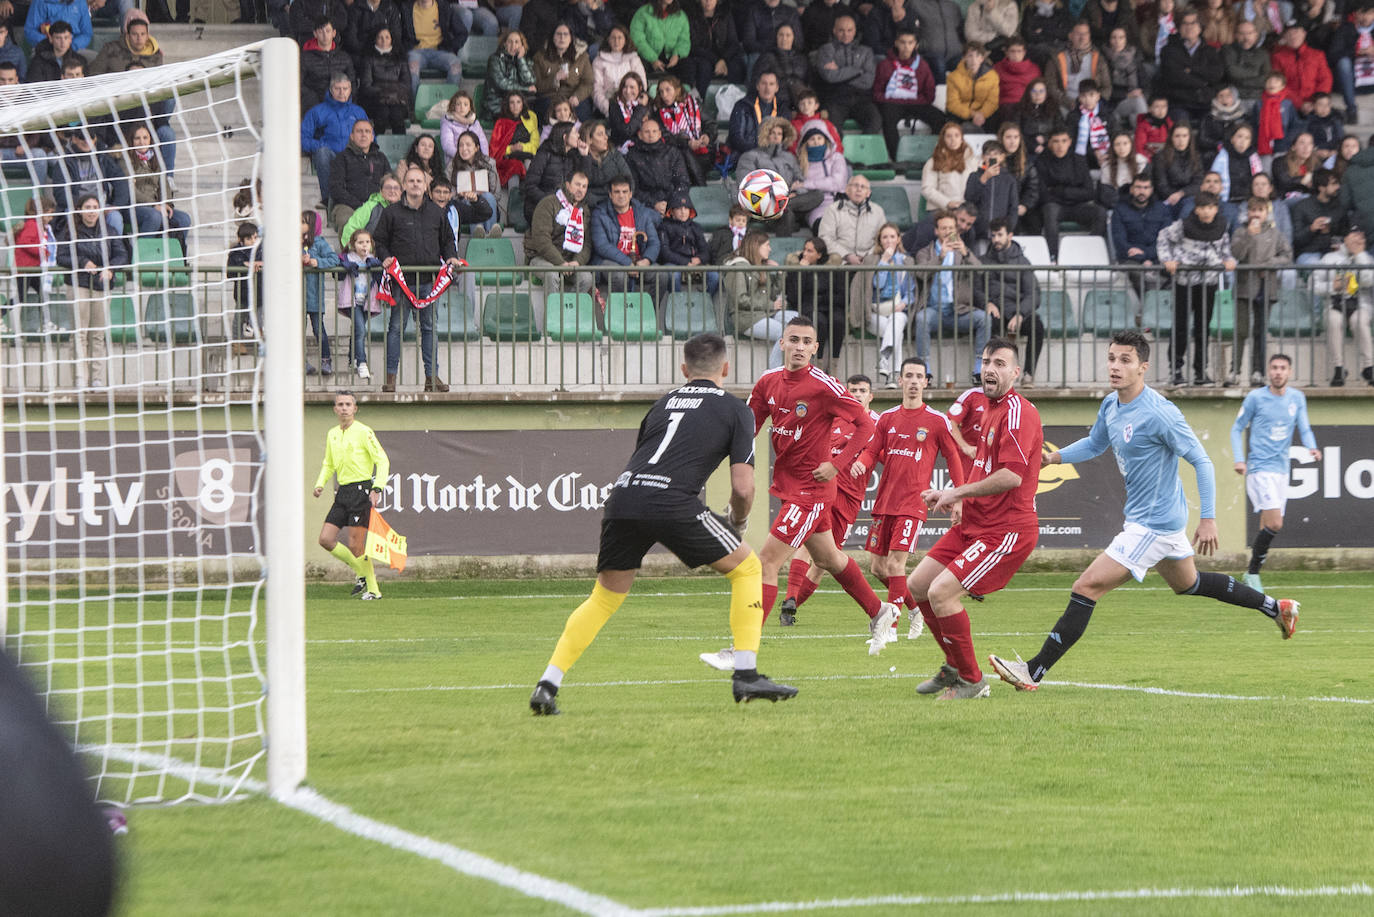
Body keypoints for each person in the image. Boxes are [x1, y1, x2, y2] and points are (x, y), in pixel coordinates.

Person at [989, 331, 1301, 693]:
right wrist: (1056, 457)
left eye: (1125, 360)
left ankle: (1033, 670)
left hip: (1152, 524)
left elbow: (1201, 461)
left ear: (1143, 367)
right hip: (1155, 522)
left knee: (1086, 586)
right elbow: (1096, 442)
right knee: (1190, 583)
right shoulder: (1111, 405)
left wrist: (1209, 518)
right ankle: (1277, 608)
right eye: (1111, 358)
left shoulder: (1159, 412)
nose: (1115, 367)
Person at [530, 334, 797, 713]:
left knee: (603, 598)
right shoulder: (736, 409)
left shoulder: (660, 405)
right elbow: (743, 486)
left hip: (624, 495)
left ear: (684, 370)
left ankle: (547, 685)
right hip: (670, 499)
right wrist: (736, 522)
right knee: (748, 567)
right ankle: (747, 675)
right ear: (726, 368)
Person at [699, 315, 899, 671]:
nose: (800, 348)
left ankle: (740, 652)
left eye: (807, 342)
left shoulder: (824, 385)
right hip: (790, 485)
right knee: (829, 559)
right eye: (794, 340)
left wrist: (837, 464)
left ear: (816, 348)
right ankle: (880, 610)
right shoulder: (768, 382)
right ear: (782, 343)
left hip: (812, 489)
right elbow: (749, 427)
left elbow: (867, 424)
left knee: (766, 563)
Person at [905, 337, 1041, 699]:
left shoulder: (1017, 412)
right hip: (975, 524)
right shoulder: (989, 408)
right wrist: (954, 493)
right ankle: (954, 666)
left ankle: (972, 680)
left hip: (1006, 530)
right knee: (917, 586)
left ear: (1015, 372)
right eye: (985, 362)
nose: (990, 369)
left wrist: (958, 493)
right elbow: (984, 468)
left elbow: (1011, 476)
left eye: (999, 363)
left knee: (942, 594)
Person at [852, 358, 966, 637]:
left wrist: (959, 496)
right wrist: (861, 463)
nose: (914, 381)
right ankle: (914, 608)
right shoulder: (888, 418)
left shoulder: (937, 421)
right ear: (900, 381)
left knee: (895, 564)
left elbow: (953, 458)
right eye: (909, 376)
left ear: (926, 382)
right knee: (878, 568)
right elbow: (871, 450)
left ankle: (889, 628)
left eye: (919, 376)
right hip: (884, 502)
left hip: (913, 503)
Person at [775, 373, 878, 627]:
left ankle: (792, 605)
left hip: (848, 499)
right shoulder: (835, 418)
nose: (856, 394)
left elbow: (876, 450)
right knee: (806, 543)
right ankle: (789, 601)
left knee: (825, 561)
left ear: (871, 396)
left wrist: (863, 463)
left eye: (862, 391)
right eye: (852, 389)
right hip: (822, 490)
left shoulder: (875, 422)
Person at [1230, 353, 1319, 595]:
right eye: (1274, 368)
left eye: (1283, 368)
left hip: (1281, 471)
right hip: (1259, 469)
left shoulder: (1297, 398)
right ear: (1269, 372)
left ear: (1289, 372)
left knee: (1266, 526)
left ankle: (1251, 574)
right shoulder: (1255, 398)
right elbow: (1236, 428)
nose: (1278, 372)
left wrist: (1312, 447)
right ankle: (1252, 573)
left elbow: (1304, 426)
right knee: (1275, 523)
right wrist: (1240, 459)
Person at [372, 165, 464, 393]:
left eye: (419, 181)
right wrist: (384, 257)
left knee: (429, 328)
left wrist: (451, 257)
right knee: (395, 329)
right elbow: (380, 241)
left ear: (425, 186)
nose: (415, 184)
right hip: (401, 282)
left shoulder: (437, 213)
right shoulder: (391, 212)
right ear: (404, 185)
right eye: (411, 181)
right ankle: (390, 379)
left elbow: (447, 241)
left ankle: (432, 377)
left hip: (428, 281)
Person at [313, 391, 390, 600]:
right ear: (335, 409)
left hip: (360, 491)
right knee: (325, 539)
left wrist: (378, 488)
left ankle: (374, 589)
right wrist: (320, 484)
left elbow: (382, 460)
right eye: (340, 404)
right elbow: (328, 463)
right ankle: (361, 572)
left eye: (348, 404)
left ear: (355, 409)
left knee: (356, 545)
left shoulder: (364, 432)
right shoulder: (332, 434)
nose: (344, 408)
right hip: (343, 491)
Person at [1158, 190, 1237, 386]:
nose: (1206, 212)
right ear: (1196, 209)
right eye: (1202, 208)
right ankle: (1175, 370)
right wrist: (1167, 260)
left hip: (1208, 282)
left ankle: (1201, 371)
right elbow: (1163, 237)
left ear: (1216, 209)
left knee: (1203, 328)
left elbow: (1225, 249)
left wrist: (1228, 259)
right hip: (1184, 282)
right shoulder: (1183, 226)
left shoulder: (1222, 226)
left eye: (1210, 208)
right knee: (1181, 327)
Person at [54, 194, 129, 390]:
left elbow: (122, 255)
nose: (92, 210)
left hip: (101, 287)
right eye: (88, 206)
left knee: (97, 335)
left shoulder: (110, 231)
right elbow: (61, 257)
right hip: (78, 285)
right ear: (80, 209)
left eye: (95, 206)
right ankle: (80, 378)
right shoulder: (70, 231)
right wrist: (82, 263)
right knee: (79, 334)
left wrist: (110, 268)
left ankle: (96, 379)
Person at [912, 211, 988, 385]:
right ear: (936, 231)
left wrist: (966, 253)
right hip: (933, 310)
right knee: (921, 318)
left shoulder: (962, 251)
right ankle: (925, 370)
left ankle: (979, 368)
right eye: (944, 228)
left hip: (959, 310)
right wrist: (940, 257)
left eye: (951, 228)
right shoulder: (925, 252)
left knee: (983, 319)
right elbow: (920, 275)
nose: (948, 231)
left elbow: (980, 270)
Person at [1229, 195, 1292, 386]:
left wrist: (1269, 264)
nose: (1256, 214)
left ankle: (1257, 370)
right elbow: (1236, 253)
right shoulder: (1240, 231)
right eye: (1253, 210)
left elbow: (1287, 255)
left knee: (1260, 332)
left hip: (1266, 287)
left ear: (1267, 213)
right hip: (1244, 286)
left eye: (1260, 210)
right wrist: (1249, 234)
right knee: (1240, 330)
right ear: (1248, 213)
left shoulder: (1276, 234)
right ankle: (1235, 370)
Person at [980, 218, 1044, 384]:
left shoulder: (1023, 262)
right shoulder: (984, 261)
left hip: (1017, 311)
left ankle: (1028, 374)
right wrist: (986, 303)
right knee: (988, 323)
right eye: (993, 235)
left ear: (1010, 235)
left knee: (1037, 325)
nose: (996, 239)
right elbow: (976, 289)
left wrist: (1021, 313)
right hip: (996, 311)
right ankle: (995, 377)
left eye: (1000, 235)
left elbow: (1034, 294)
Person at [526, 170, 596, 315]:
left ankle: (571, 317)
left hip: (570, 261)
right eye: (577, 185)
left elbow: (587, 244)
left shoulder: (584, 211)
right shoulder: (548, 203)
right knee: (551, 275)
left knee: (586, 278)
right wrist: (560, 262)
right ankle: (553, 323)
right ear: (567, 185)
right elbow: (541, 240)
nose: (580, 189)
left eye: (584, 186)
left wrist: (577, 262)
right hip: (541, 258)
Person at [1034, 127, 1107, 259]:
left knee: (1100, 212)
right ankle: (1052, 257)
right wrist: (1074, 193)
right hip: (1055, 207)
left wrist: (1062, 191)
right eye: (1056, 141)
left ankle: (1092, 253)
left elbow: (1090, 192)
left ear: (1070, 142)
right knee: (1050, 210)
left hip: (1077, 206)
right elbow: (1043, 194)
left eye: (1064, 141)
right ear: (1050, 143)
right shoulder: (1042, 161)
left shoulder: (1079, 160)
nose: (1060, 145)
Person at [857, 222, 915, 385]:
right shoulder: (873, 260)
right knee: (896, 333)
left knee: (897, 321)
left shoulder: (907, 260)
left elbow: (911, 291)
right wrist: (883, 261)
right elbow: (877, 285)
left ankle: (885, 361)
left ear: (898, 239)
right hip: (876, 313)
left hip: (897, 311)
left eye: (892, 236)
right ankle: (894, 376)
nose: (889, 240)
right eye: (885, 237)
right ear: (880, 241)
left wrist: (904, 304)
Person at [723, 231, 791, 368]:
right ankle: (774, 373)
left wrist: (780, 273)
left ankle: (793, 369)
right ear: (756, 246)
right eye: (767, 245)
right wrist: (771, 305)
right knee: (785, 333)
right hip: (746, 317)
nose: (770, 249)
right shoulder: (737, 268)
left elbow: (772, 294)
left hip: (764, 313)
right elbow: (740, 299)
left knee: (797, 321)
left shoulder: (761, 265)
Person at [873, 31, 945, 159]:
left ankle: (933, 157)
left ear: (916, 45)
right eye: (903, 42)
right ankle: (897, 159)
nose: (906, 47)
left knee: (940, 118)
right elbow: (877, 93)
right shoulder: (885, 65)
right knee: (888, 120)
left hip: (917, 103)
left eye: (910, 43)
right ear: (896, 43)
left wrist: (908, 99)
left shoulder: (922, 65)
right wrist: (894, 98)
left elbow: (929, 95)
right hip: (892, 104)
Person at [301, 74, 370, 207]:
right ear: (331, 90)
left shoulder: (358, 111)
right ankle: (328, 198)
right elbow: (303, 138)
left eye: (345, 88)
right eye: (338, 88)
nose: (342, 92)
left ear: (350, 89)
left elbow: (370, 134)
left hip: (354, 155)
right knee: (322, 152)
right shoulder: (317, 111)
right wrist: (321, 145)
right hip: (331, 156)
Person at [1319, 228, 1374, 386]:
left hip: (1360, 304)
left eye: (1362, 237)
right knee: (1333, 320)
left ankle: (1369, 367)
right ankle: (1338, 368)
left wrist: (1359, 256)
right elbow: (1313, 285)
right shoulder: (1329, 258)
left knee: (1359, 321)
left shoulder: (1367, 258)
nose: (1358, 240)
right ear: (1345, 238)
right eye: (1355, 236)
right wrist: (1332, 286)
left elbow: (1368, 281)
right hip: (1334, 303)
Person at [783, 236, 847, 372]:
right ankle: (818, 363)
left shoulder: (832, 268)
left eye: (810, 251)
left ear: (819, 255)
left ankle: (834, 363)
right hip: (810, 307)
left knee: (838, 321)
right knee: (819, 322)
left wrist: (823, 299)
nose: (805, 254)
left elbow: (842, 296)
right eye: (805, 250)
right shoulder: (799, 267)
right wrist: (802, 271)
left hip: (830, 305)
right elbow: (794, 296)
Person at [590, 175, 661, 293]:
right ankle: (619, 311)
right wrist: (627, 263)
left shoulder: (642, 213)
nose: (621, 195)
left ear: (630, 194)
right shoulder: (600, 213)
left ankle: (651, 311)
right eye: (617, 192)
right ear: (610, 194)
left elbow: (654, 242)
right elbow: (601, 245)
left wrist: (647, 260)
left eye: (625, 191)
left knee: (661, 275)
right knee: (619, 276)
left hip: (638, 260)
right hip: (610, 261)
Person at [812, 14, 880, 134]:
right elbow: (830, 76)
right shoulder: (826, 50)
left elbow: (868, 81)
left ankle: (861, 151)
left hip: (860, 99)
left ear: (855, 31)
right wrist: (859, 71)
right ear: (834, 31)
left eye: (850, 30)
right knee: (832, 128)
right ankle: (838, 153)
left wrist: (839, 71)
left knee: (875, 120)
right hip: (835, 99)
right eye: (841, 30)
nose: (846, 34)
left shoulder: (866, 51)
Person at [1158, 9, 1224, 125]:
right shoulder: (1168, 50)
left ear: (1200, 27)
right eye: (1185, 23)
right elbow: (1174, 77)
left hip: (1205, 102)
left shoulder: (1211, 51)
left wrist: (1191, 70)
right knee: (1182, 128)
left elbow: (1216, 75)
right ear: (1179, 27)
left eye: (1193, 23)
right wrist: (1203, 82)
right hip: (1179, 102)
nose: (1189, 27)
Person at [328, 118, 392, 234]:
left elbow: (390, 184)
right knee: (346, 221)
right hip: (348, 206)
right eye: (359, 131)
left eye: (367, 131)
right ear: (352, 136)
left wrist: (373, 205)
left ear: (372, 137)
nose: (363, 135)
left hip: (376, 205)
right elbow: (336, 189)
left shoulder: (381, 158)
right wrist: (360, 205)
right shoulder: (341, 158)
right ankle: (350, 252)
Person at [337, 228, 383, 381]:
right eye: (360, 242)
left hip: (366, 300)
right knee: (361, 330)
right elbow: (339, 268)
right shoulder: (348, 258)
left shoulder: (372, 258)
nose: (364, 246)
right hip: (352, 300)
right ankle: (362, 362)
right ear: (353, 244)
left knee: (358, 329)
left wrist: (375, 265)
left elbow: (380, 273)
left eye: (367, 242)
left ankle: (353, 359)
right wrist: (346, 265)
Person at [653, 75, 715, 186]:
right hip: (678, 154)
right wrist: (687, 143)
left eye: (668, 90)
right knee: (684, 153)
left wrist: (707, 136)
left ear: (677, 89)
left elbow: (710, 123)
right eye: (661, 92)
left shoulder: (693, 104)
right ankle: (701, 187)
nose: (664, 95)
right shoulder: (658, 113)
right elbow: (667, 137)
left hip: (702, 150)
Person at [301, 211, 340, 377]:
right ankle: (301, 362)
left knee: (319, 330)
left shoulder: (319, 242)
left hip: (314, 295)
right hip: (296, 297)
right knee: (297, 332)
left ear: (311, 226)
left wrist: (317, 262)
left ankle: (326, 360)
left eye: (303, 222)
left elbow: (334, 259)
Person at [624, 117, 691, 215]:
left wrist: (670, 203)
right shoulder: (632, 156)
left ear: (660, 134)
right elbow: (632, 188)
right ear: (640, 135)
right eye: (647, 132)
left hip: (672, 205)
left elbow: (683, 181)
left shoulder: (673, 153)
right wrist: (653, 204)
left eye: (654, 131)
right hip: (644, 207)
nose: (651, 135)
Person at [401, 0, 468, 97]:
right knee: (412, 67)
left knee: (456, 65)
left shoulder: (444, 7)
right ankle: (414, 108)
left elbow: (462, 33)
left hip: (439, 51)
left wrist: (451, 47)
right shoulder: (406, 7)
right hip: (415, 52)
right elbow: (398, 33)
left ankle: (448, 104)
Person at [1044, 23, 1111, 117]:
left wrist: (1094, 101)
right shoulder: (1057, 57)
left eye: (1085, 34)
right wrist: (1068, 102)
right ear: (1070, 36)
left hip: (1092, 102)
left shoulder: (1098, 58)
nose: (1082, 37)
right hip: (1066, 104)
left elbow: (1107, 86)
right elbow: (1051, 85)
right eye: (1078, 34)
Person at [522, 120, 583, 222]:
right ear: (565, 137)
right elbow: (530, 186)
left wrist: (585, 156)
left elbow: (583, 181)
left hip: (565, 207)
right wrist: (551, 202)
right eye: (575, 132)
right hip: (540, 206)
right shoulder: (544, 153)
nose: (578, 135)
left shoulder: (574, 156)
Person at [356, 26, 411, 136]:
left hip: (397, 99)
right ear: (375, 39)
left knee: (397, 115)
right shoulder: (368, 59)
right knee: (382, 113)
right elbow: (366, 86)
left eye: (387, 37)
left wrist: (392, 95)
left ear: (392, 39)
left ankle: (401, 148)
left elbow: (406, 84)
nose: (384, 41)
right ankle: (374, 147)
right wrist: (383, 94)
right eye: (380, 37)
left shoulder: (401, 58)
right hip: (375, 99)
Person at [684, 0, 744, 100]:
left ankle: (733, 101)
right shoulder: (692, 15)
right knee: (704, 68)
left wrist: (723, 60)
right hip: (703, 55)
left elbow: (734, 43)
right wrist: (716, 61)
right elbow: (693, 45)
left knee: (736, 67)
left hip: (724, 56)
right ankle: (700, 101)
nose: (708, 2)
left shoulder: (725, 14)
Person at [533, 22, 594, 119]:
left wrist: (577, 96)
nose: (562, 38)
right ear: (552, 37)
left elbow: (588, 82)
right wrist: (554, 79)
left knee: (583, 108)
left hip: (572, 96)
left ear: (571, 38)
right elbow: (537, 85)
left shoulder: (582, 57)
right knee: (545, 106)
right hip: (550, 97)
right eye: (558, 34)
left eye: (566, 34)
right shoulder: (540, 57)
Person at [1327, 2, 1374, 126]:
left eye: (1369, 13)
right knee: (1343, 63)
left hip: (1371, 79)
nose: (1365, 17)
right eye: (1361, 13)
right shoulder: (1345, 28)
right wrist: (1356, 52)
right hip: (1351, 80)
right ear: (1355, 14)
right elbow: (1333, 54)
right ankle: (1351, 109)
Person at [1270, 22, 1331, 116]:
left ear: (1304, 33)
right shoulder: (1278, 57)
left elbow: (1325, 79)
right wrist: (1299, 103)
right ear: (1284, 37)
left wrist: (1317, 100)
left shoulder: (1317, 55)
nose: (1293, 36)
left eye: (1297, 32)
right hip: (1289, 104)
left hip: (1315, 104)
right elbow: (1278, 85)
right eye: (1289, 33)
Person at [963, 139, 1019, 239]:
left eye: (996, 154)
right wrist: (984, 178)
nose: (992, 157)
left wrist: (1009, 228)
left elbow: (1013, 207)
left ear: (1002, 156)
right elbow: (969, 199)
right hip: (978, 231)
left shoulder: (1009, 179)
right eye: (988, 154)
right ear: (983, 157)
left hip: (1000, 232)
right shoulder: (975, 176)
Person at [727, 70, 789, 158]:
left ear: (777, 88)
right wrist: (759, 152)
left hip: (774, 157)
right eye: (764, 83)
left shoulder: (783, 109)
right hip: (747, 155)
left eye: (771, 84)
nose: (767, 88)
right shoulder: (742, 106)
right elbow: (736, 138)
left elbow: (786, 139)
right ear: (757, 86)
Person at [920, 121, 978, 215]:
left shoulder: (973, 161)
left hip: (967, 210)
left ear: (962, 139)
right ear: (943, 139)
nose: (953, 139)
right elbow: (927, 189)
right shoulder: (933, 162)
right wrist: (947, 203)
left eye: (956, 135)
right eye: (949, 136)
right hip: (940, 209)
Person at [1291, 168, 1347, 263]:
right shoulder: (1302, 207)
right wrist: (1311, 229)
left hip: (1333, 253)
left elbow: (1344, 233)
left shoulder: (1339, 207)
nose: (1338, 187)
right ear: (1321, 187)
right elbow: (1296, 240)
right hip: (1308, 253)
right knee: (1317, 268)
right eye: (1333, 184)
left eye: (1337, 183)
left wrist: (1336, 241)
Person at [754, 22, 811, 113]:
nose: (784, 38)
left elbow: (808, 81)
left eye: (788, 35)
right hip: (778, 101)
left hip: (801, 102)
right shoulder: (767, 57)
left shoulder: (802, 59)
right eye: (781, 35)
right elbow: (757, 82)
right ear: (776, 37)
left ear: (794, 37)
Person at [591, 25, 646, 118]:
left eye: (620, 38)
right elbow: (596, 88)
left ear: (625, 40)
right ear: (608, 40)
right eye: (613, 38)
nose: (616, 41)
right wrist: (608, 109)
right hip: (608, 104)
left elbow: (641, 83)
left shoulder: (633, 59)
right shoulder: (599, 60)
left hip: (631, 103)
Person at [301, 19, 357, 112]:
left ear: (334, 33)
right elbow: (299, 84)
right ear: (315, 34)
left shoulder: (344, 57)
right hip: (315, 104)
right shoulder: (305, 57)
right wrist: (312, 98)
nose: (325, 35)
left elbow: (352, 82)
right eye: (320, 31)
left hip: (340, 101)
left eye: (328, 31)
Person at [629, 0, 690, 83]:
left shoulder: (680, 15)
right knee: (638, 66)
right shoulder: (643, 13)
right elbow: (637, 39)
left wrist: (677, 55)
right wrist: (652, 59)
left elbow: (684, 40)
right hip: (647, 57)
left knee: (687, 65)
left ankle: (686, 94)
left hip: (671, 57)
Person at [490, 90, 541, 187]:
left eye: (518, 102)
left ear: (523, 103)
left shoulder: (531, 116)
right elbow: (495, 148)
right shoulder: (501, 122)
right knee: (514, 167)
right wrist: (512, 148)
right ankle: (513, 197)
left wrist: (522, 147)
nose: (515, 106)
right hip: (509, 156)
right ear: (508, 105)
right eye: (512, 102)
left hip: (527, 153)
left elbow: (535, 142)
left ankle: (530, 191)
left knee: (528, 163)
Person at [482, 28, 535, 120]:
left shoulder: (525, 60)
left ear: (522, 45)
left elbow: (529, 81)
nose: (513, 45)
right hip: (497, 104)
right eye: (510, 42)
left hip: (517, 104)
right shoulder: (495, 59)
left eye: (517, 42)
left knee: (541, 105)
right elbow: (501, 84)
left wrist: (520, 60)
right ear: (504, 44)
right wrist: (525, 89)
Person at [946, 41, 999, 131]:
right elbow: (953, 103)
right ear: (964, 58)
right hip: (962, 113)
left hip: (983, 113)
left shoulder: (992, 76)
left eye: (978, 56)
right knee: (951, 121)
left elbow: (992, 102)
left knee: (995, 119)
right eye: (970, 56)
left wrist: (981, 114)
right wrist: (972, 114)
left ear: (982, 59)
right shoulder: (953, 77)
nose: (974, 60)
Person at [580, 120, 632, 211]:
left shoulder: (614, 154)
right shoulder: (580, 158)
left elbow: (629, 179)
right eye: (600, 134)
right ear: (590, 139)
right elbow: (584, 183)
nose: (606, 137)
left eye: (605, 134)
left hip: (617, 203)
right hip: (593, 205)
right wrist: (585, 157)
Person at [90, 8, 160, 74]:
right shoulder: (110, 49)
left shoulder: (155, 54)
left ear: (147, 36)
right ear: (128, 36)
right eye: (134, 34)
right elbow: (94, 73)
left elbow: (159, 81)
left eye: (142, 34)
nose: (139, 38)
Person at [1223, 20, 1270, 101]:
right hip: (1234, 97)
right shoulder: (1228, 50)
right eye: (1242, 33)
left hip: (1257, 97)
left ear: (1256, 35)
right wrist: (1255, 72)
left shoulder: (1263, 54)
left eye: (1249, 33)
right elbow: (1232, 72)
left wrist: (1243, 82)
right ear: (1236, 35)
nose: (1246, 37)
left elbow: (1266, 78)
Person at [994, 36, 1042, 114]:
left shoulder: (1034, 69)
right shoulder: (997, 68)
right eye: (1012, 51)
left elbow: (1039, 90)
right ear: (1006, 52)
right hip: (1005, 106)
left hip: (1028, 105)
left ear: (1024, 52)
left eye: (1019, 51)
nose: (1016, 55)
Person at [25, 18, 79, 83]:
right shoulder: (38, 62)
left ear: (70, 39)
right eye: (58, 38)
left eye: (66, 37)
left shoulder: (79, 60)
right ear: (51, 39)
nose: (63, 42)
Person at [606, 71, 651, 150]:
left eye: (632, 87)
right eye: (625, 87)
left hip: (643, 145)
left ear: (640, 88)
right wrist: (641, 109)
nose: (627, 91)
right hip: (621, 146)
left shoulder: (647, 102)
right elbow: (626, 131)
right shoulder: (615, 105)